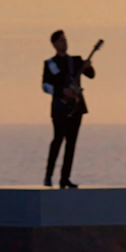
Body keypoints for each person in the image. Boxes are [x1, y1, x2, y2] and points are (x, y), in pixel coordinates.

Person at [42, 29, 95, 188]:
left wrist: (88, 67)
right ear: (54, 44)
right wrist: (61, 91)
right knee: (58, 140)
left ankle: (65, 178)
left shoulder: (76, 60)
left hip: (76, 107)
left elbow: (91, 75)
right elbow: (45, 86)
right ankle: (49, 175)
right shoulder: (50, 63)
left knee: (71, 143)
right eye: (61, 40)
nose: (65, 43)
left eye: (65, 40)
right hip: (60, 108)